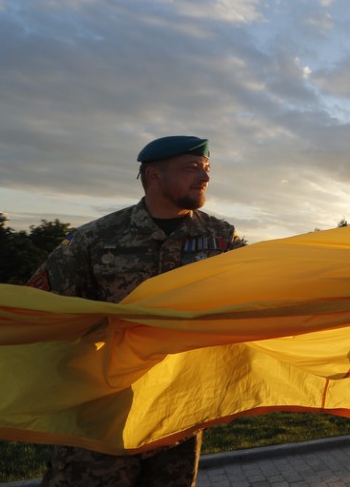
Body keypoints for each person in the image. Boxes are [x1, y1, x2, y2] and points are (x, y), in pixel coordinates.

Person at [27, 135, 243, 487]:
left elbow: (248, 300)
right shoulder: (95, 238)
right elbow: (42, 307)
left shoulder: (221, 237)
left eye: (206, 169)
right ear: (153, 175)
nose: (205, 177)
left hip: (177, 409)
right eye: (192, 168)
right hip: (102, 406)